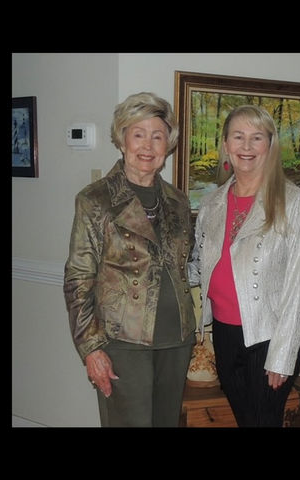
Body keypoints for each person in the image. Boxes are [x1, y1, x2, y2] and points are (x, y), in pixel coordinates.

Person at [64, 92, 196, 427]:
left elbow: (184, 266)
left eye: (158, 136)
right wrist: (91, 348)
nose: (148, 146)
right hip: (122, 343)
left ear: (168, 145)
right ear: (122, 140)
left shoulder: (178, 201)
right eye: (139, 134)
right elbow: (78, 279)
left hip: (176, 340)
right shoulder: (95, 200)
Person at [189, 105, 300, 427]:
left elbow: (299, 286)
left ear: (270, 145)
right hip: (224, 333)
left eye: (256, 137)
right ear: (226, 145)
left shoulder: (292, 201)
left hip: (268, 336)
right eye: (238, 136)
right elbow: (199, 265)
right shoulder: (211, 203)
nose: (246, 146)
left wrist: (282, 356)